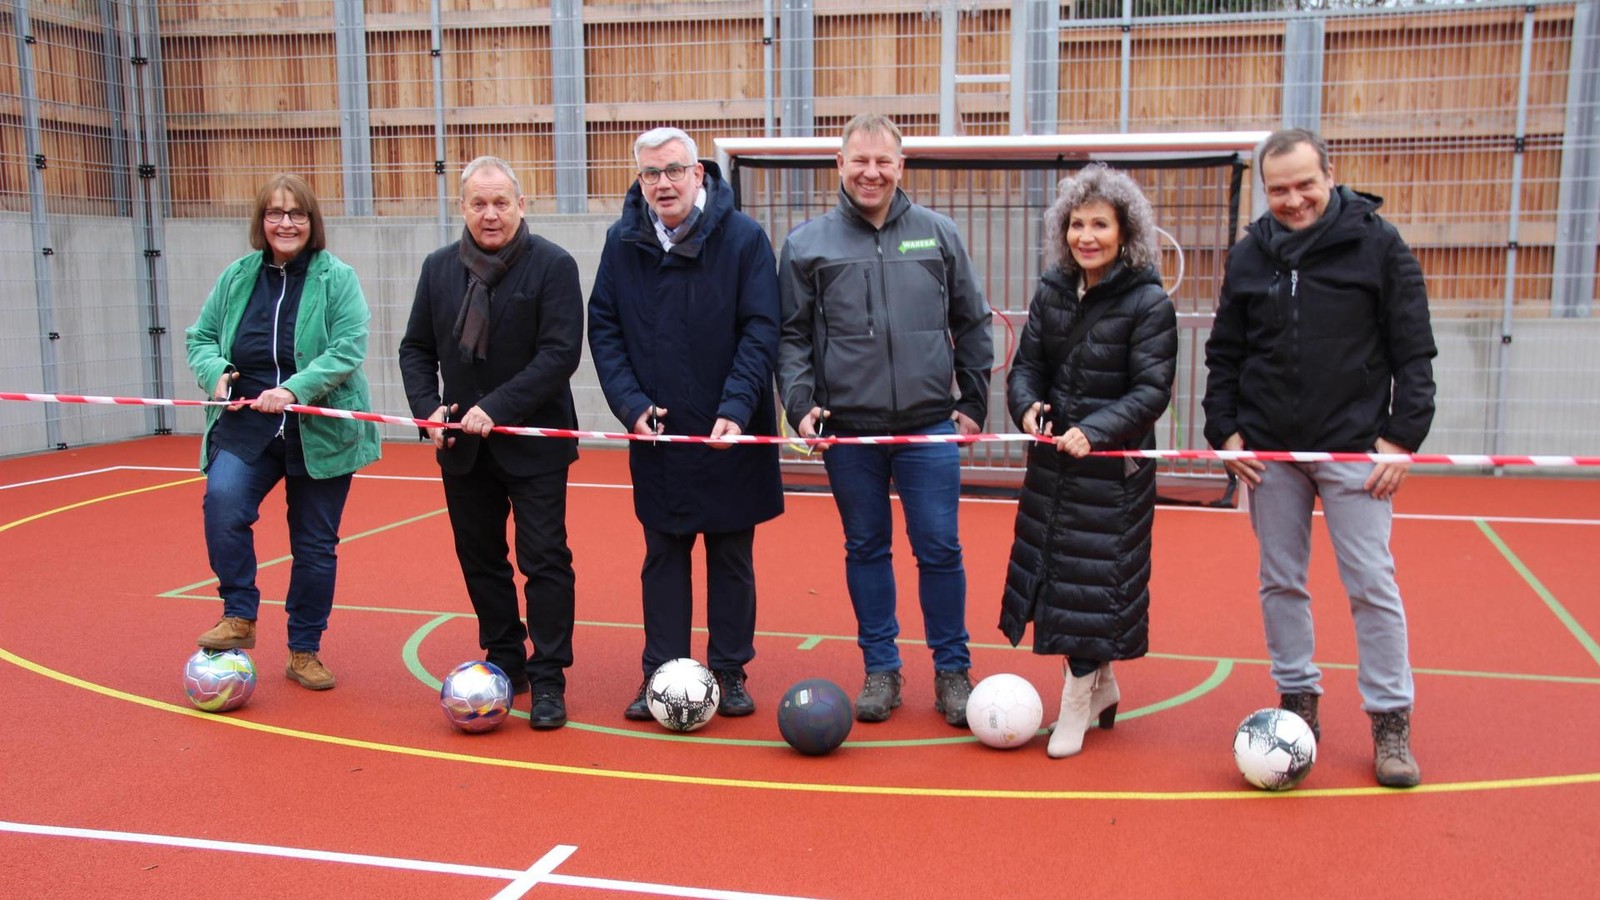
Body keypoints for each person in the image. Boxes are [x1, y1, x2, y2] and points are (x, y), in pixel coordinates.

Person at [1202, 128, 1437, 787]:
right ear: (1264, 190)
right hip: (1270, 453)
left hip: (1355, 449)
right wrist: (1226, 434)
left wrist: (1401, 440)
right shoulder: (1251, 254)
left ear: (1330, 175)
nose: (1294, 199)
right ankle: (1298, 701)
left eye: (1305, 184)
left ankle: (1391, 721)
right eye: (1279, 189)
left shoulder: (1379, 245)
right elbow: (1225, 354)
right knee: (1280, 580)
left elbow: (1414, 352)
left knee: (1371, 585)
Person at [778, 113, 994, 726]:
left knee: (940, 548)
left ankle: (952, 671)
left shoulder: (938, 234)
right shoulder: (806, 244)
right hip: (850, 430)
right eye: (860, 160)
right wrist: (800, 406)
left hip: (929, 427)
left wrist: (972, 403)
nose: (871, 172)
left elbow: (971, 321)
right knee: (866, 547)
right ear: (839, 166)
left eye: (884, 161)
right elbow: (790, 337)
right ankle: (882, 670)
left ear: (901, 167)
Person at [587, 127, 785, 721]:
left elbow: (761, 329)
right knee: (663, 555)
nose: (663, 183)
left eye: (674, 170)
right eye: (651, 174)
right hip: (659, 434)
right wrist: (629, 404)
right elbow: (605, 328)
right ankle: (662, 673)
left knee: (731, 556)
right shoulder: (621, 243)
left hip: (730, 432)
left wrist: (735, 406)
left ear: (699, 174)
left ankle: (729, 670)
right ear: (639, 180)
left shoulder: (745, 239)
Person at [398, 156, 584, 730]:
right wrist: (428, 411)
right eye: (478, 203)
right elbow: (414, 349)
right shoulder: (438, 269)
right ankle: (506, 657)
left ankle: (549, 676)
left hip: (534, 445)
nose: (490, 214)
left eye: (501, 202)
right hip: (462, 448)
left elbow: (560, 354)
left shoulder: (553, 265)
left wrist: (494, 408)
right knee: (480, 558)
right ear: (462, 208)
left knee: (544, 560)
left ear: (521, 205)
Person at [998, 166, 1178, 758]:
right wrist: (1025, 406)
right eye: (1077, 223)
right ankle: (1099, 688)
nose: (1086, 235)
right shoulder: (1052, 289)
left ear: (1126, 233)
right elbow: (1027, 366)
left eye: (1100, 223)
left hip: (1111, 476)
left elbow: (1151, 390)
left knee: (1095, 587)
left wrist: (1093, 431)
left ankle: (1076, 701)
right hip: (1053, 468)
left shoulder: (1148, 302)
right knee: (1058, 582)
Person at [185, 173, 382, 691]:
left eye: (297, 214)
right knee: (223, 503)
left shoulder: (336, 277)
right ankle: (239, 614)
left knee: (314, 545)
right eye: (275, 213)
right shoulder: (237, 276)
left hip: (318, 427)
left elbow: (347, 347)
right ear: (262, 221)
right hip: (247, 422)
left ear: (312, 222)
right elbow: (200, 336)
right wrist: (215, 373)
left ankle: (304, 649)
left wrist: (294, 390)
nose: (286, 222)